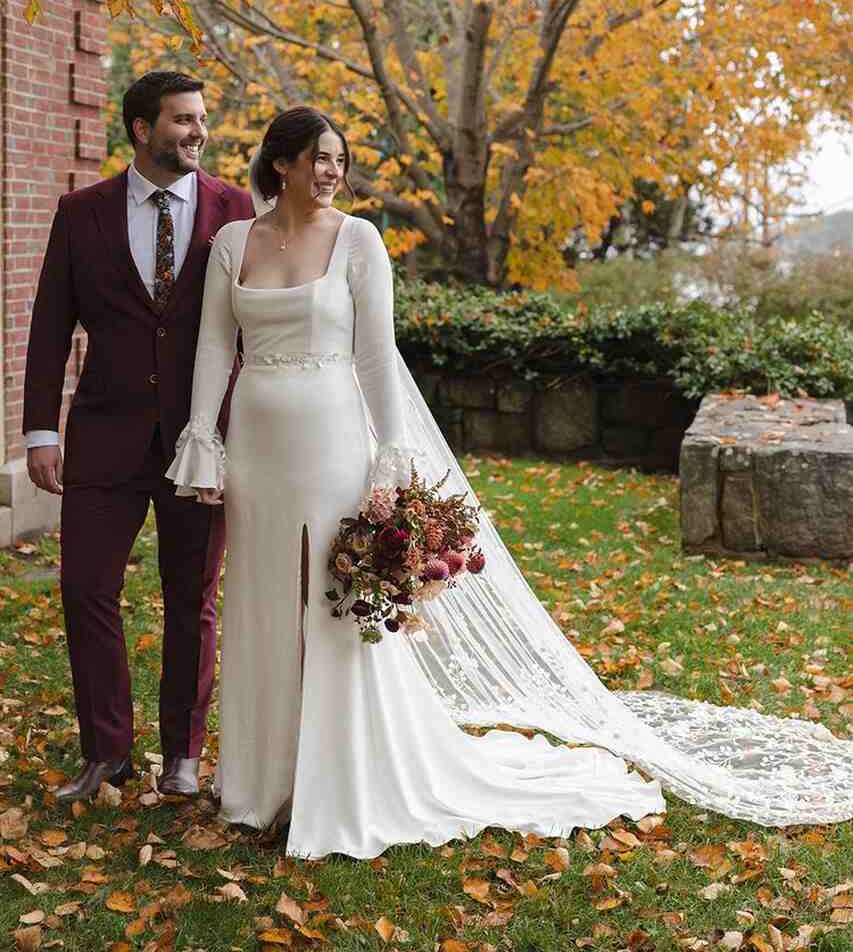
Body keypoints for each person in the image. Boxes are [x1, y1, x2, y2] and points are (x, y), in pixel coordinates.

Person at [167, 106, 853, 860]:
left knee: (336, 603)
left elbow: (374, 354)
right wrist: (204, 440)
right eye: (318, 158)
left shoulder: (359, 240)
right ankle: (264, 781)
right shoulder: (235, 242)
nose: (332, 172)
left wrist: (391, 452)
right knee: (262, 597)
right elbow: (211, 346)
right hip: (259, 442)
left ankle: (342, 779)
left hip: (332, 438)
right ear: (283, 164)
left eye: (339, 160)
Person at [24, 71, 254, 803]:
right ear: (140, 128)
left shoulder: (236, 210)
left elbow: (254, 325)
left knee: (194, 597)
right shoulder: (80, 212)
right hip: (103, 434)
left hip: (202, 438)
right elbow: (50, 325)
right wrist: (38, 431)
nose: (197, 132)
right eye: (182, 119)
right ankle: (108, 754)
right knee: (85, 587)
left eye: (200, 119)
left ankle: (183, 753)